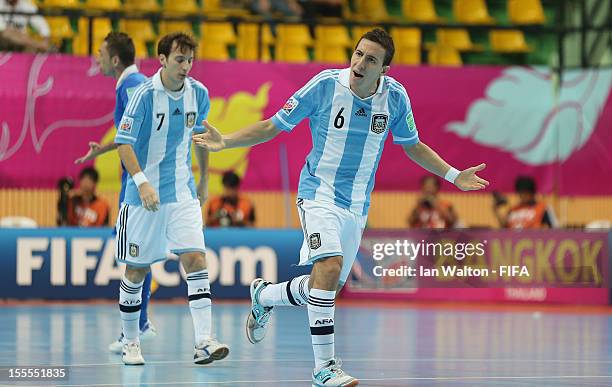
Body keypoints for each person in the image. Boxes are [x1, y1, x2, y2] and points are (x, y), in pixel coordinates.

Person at [193, 28, 488, 386]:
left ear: (385, 69)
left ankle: (265, 295)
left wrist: (454, 175)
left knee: (323, 286)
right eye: (358, 53)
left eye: (371, 59)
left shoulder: (395, 98)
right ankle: (324, 368)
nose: (360, 63)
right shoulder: (325, 85)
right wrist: (225, 141)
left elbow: (413, 145)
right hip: (318, 194)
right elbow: (273, 125)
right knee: (329, 268)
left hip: (357, 206)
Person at [114, 32, 228, 366]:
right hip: (143, 198)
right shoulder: (144, 95)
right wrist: (142, 182)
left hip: (182, 194)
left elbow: (201, 136)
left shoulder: (199, 94)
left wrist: (205, 179)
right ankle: (131, 342)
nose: (186, 66)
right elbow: (124, 142)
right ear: (162, 59)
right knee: (136, 270)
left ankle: (203, 341)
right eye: (179, 59)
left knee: (196, 260)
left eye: (190, 60)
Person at [73, 32, 158, 353]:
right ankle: (142, 323)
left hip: (137, 183)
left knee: (133, 254)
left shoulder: (132, 83)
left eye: (100, 53)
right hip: (140, 180)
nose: (96, 58)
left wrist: (139, 178)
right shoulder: (130, 83)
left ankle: (133, 330)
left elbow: (146, 126)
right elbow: (132, 130)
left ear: (115, 60)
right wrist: (106, 148)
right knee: (140, 254)